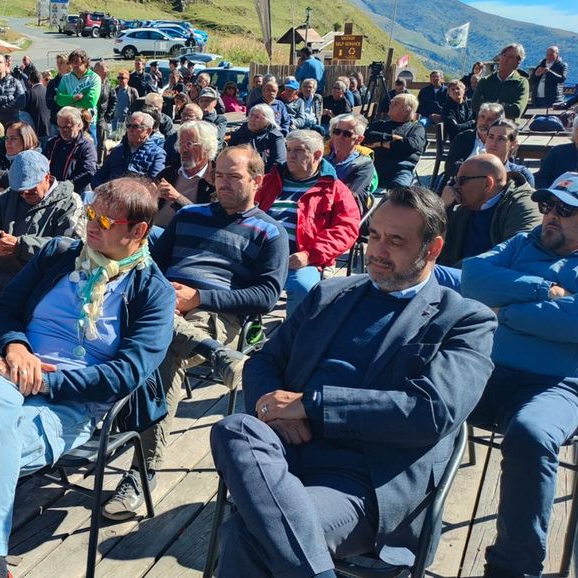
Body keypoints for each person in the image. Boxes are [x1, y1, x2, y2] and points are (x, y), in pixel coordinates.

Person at [210, 186, 496, 577]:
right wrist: (270, 408)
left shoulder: (463, 320)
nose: (378, 250)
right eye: (374, 236)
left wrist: (311, 406)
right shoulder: (330, 294)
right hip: (284, 454)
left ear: (432, 248)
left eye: (396, 241)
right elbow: (264, 361)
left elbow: (431, 412)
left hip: (364, 480)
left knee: (248, 534)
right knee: (235, 428)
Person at [0, 177, 175, 578]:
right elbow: (6, 308)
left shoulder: (153, 292)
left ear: (138, 230)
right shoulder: (59, 254)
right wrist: (15, 348)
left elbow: (127, 374)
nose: (90, 224)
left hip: (70, 404)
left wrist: (43, 382)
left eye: (105, 220)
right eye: (90, 212)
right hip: (4, 373)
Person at [103, 144, 290, 520]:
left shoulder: (270, 233)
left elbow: (267, 297)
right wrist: (159, 293)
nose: (223, 184)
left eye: (233, 177)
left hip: (216, 313)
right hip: (163, 303)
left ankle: (143, 470)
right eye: (219, 175)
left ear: (257, 181)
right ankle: (213, 354)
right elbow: (150, 263)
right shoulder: (189, 215)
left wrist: (199, 297)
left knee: (162, 352)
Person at [461, 171, 578, 578]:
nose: (551, 215)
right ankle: (392, 536)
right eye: (547, 205)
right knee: (417, 396)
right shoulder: (524, 242)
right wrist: (543, 290)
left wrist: (504, 311)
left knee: (531, 434)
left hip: (557, 385)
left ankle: (513, 569)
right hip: (486, 369)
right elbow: (472, 277)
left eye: (566, 210)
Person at [0, 150, 84, 386]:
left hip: (32, 286)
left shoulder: (70, 203)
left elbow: (69, 248)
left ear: (47, 177)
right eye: (20, 190)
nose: (24, 195)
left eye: (30, 190)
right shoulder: (7, 198)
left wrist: (21, 245)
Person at [256, 130, 360, 311]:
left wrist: (309, 255)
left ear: (317, 155)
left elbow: (345, 229)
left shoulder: (334, 189)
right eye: (289, 149)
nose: (290, 155)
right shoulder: (269, 181)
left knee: (304, 288)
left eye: (298, 150)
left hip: (300, 258)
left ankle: (294, 329)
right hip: (257, 253)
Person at [435, 154, 540, 289]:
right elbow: (422, 241)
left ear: (487, 184)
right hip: (460, 279)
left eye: (462, 181)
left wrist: (445, 273)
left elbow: (513, 253)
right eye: (455, 180)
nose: (455, 187)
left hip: (492, 284)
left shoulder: (524, 205)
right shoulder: (462, 205)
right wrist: (441, 207)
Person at [153, 120, 218, 227]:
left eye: (189, 144)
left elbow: (207, 219)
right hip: (151, 227)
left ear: (206, 147)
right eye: (180, 144)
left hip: (184, 234)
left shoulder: (216, 179)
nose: (183, 149)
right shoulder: (170, 172)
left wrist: (177, 198)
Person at [364, 93, 427, 189]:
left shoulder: (416, 128)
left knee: (400, 191)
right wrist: (392, 137)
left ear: (406, 110)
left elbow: (410, 145)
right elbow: (367, 136)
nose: (390, 105)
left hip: (401, 168)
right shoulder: (380, 125)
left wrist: (381, 143)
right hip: (375, 166)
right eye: (391, 103)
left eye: (395, 104)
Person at [440, 102, 505, 190]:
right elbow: (451, 166)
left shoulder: (503, 142)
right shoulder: (463, 138)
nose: (484, 122)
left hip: (493, 187)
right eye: (482, 117)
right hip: (463, 185)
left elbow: (506, 166)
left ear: (499, 123)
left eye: (490, 119)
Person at [92, 111, 166, 187]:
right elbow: (99, 176)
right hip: (111, 191)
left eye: (135, 126)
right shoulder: (118, 150)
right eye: (128, 126)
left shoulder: (157, 154)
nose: (130, 130)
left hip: (136, 193)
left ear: (148, 131)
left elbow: (155, 183)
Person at [324, 113, 377, 211]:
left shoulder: (364, 164)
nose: (339, 136)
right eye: (337, 131)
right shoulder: (324, 160)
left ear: (359, 139)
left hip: (343, 213)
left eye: (347, 134)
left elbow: (347, 197)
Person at [42, 107, 97, 196]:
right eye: (60, 127)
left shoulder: (86, 146)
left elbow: (89, 172)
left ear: (79, 125)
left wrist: (65, 187)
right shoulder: (53, 143)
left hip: (74, 194)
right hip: (51, 192)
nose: (63, 131)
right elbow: (40, 164)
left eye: (67, 127)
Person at [55, 49, 101, 148]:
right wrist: (74, 98)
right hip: (70, 122)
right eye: (72, 62)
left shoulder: (94, 78)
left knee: (89, 149)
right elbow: (59, 99)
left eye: (77, 62)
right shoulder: (66, 78)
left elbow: (91, 101)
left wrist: (70, 103)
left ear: (85, 62)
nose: (74, 65)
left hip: (88, 123)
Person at [473, 43, 529, 120]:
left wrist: (488, 105)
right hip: (485, 125)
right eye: (504, 55)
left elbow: (516, 110)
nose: (505, 59)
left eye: (510, 57)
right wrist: (503, 105)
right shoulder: (485, 81)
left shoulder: (521, 83)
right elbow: (475, 104)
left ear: (517, 62)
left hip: (507, 126)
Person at [228, 104, 286, 172]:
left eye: (257, 117)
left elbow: (278, 163)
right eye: (251, 115)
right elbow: (228, 154)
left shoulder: (274, 136)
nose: (252, 119)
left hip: (264, 174)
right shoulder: (240, 133)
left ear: (267, 120)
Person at [482, 119, 534, 186]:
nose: (493, 143)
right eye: (491, 137)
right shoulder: (473, 169)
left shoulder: (522, 175)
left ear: (513, 144)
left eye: (501, 139)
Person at [0, 52, 27, 131]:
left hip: (12, 127)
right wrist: (8, 98)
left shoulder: (15, 82)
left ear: (6, 65)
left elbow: (21, 102)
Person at [536, 122, 578, 188]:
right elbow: (541, 178)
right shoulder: (557, 151)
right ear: (573, 131)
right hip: (555, 192)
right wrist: (549, 192)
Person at [45, 55, 70, 139]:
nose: (59, 65)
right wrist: (62, 100)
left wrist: (58, 99)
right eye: (58, 63)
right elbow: (48, 103)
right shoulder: (52, 83)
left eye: (62, 63)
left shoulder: (73, 81)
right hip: (55, 122)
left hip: (70, 121)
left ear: (68, 64)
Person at [111, 70, 139, 134]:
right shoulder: (115, 90)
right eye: (119, 78)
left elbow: (137, 106)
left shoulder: (133, 91)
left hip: (127, 122)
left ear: (127, 79)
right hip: (115, 121)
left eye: (122, 78)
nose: (120, 80)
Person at [25, 69, 50, 139]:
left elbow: (24, 112)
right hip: (50, 127)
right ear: (41, 79)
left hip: (35, 130)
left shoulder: (28, 93)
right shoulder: (48, 91)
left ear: (29, 81)